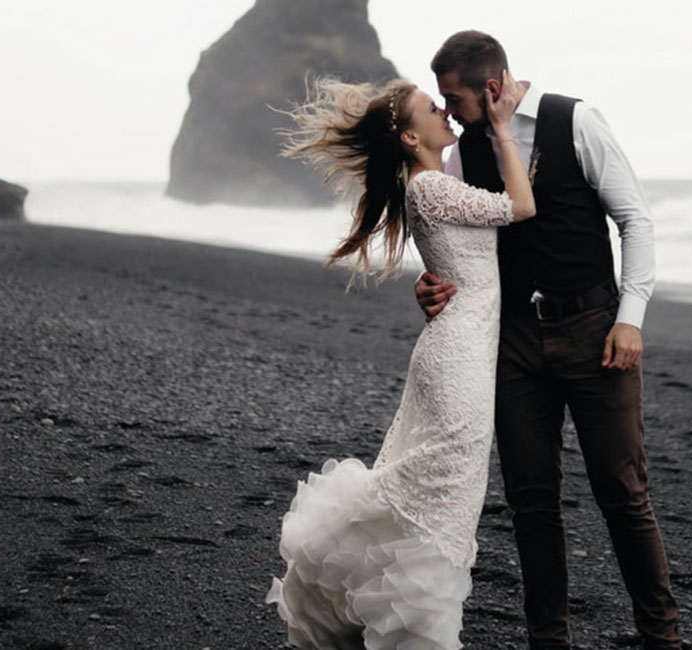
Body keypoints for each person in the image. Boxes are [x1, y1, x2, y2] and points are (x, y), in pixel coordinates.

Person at [415, 31, 681, 649]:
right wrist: (429, 285)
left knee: (623, 493)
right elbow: (459, 242)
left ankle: (662, 638)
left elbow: (634, 218)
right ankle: (549, 641)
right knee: (531, 501)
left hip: (595, 329)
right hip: (510, 341)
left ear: (490, 86)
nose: (447, 111)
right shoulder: (463, 151)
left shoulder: (575, 119)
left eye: (453, 98)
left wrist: (631, 317)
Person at [266, 70, 534, 649]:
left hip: (457, 350)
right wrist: (507, 128)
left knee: (434, 502)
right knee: (439, 508)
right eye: (431, 109)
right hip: (457, 360)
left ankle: (396, 622)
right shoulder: (430, 187)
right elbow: (520, 205)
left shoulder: (434, 183)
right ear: (410, 139)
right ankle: (417, 634)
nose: (444, 112)